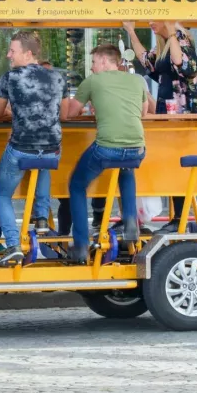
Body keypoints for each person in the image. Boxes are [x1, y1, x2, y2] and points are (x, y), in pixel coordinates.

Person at [65, 44, 149, 263]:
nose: (92, 67)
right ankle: (130, 223)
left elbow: (70, 113)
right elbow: (143, 112)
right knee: (126, 168)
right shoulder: (136, 80)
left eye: (93, 62)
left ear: (104, 61)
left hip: (107, 148)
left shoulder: (93, 81)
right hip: (138, 148)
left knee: (76, 185)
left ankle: (81, 245)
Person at [0, 31, 69, 264]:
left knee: (1, 195)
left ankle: (13, 243)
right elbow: (64, 114)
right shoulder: (58, 77)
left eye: (12, 51)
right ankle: (41, 218)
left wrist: (15, 112)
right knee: (42, 159)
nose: (8, 55)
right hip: (53, 148)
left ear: (28, 53)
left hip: (21, 146)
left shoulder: (10, 78)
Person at [124, 20, 197, 232]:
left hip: (182, 117)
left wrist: (171, 31)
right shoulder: (163, 45)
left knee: (178, 164)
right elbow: (146, 61)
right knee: (172, 163)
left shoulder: (181, 41)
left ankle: (180, 218)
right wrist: (131, 31)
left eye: (155, 18)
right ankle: (178, 217)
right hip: (168, 115)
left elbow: (181, 62)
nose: (150, 22)